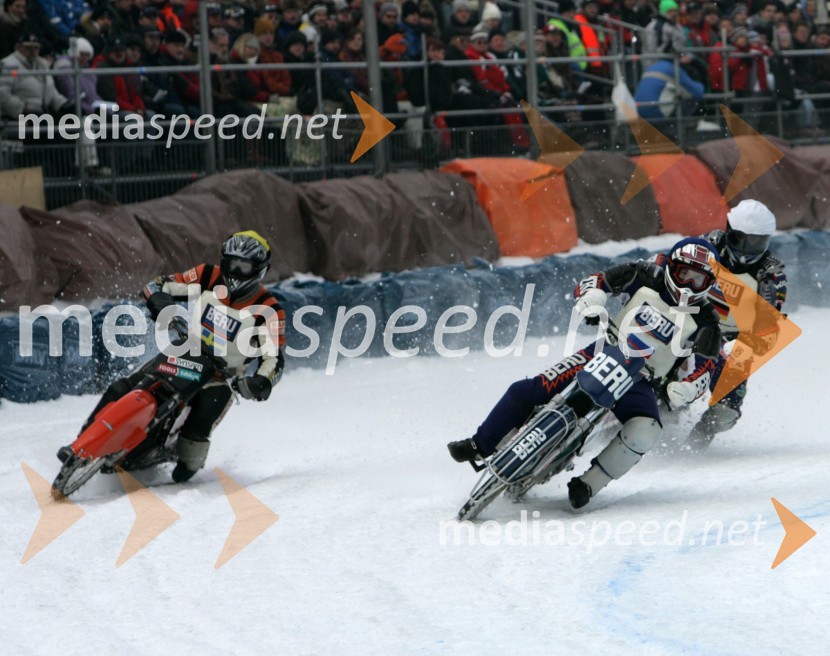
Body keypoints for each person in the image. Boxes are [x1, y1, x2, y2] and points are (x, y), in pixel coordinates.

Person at [448, 238, 723, 508]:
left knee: (646, 431)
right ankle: (479, 444)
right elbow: (597, 281)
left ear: (709, 283)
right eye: (684, 273)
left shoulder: (708, 320)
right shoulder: (644, 274)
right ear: (671, 267)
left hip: (644, 381)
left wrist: (686, 388)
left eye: (699, 280)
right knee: (529, 389)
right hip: (605, 350)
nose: (688, 284)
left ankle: (589, 483)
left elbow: (705, 367)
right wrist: (592, 301)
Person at [62, 231, 286, 483]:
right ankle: (80, 443)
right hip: (185, 351)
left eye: (242, 266)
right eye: (231, 263)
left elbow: (274, 359)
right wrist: (161, 302)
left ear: (258, 270)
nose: (234, 271)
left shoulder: (269, 310)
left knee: (196, 433)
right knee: (123, 386)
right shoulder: (208, 275)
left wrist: (260, 382)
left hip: (222, 377)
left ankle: (185, 468)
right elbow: (157, 285)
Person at [687, 200, 787, 450]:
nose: (746, 248)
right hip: (685, 319)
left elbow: (769, 327)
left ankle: (695, 444)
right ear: (729, 230)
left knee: (727, 410)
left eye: (755, 242)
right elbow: (670, 267)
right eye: (741, 238)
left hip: (726, 338)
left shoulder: (772, 273)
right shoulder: (706, 245)